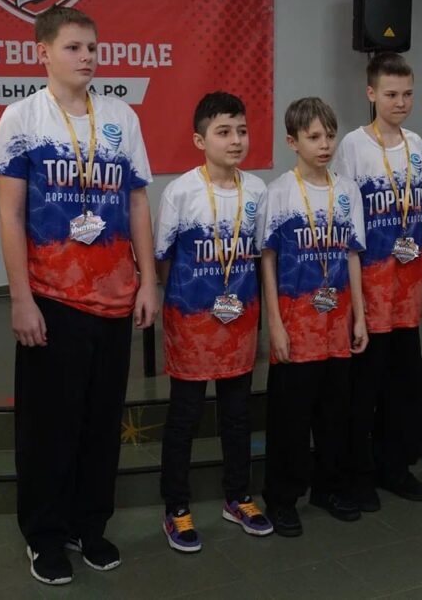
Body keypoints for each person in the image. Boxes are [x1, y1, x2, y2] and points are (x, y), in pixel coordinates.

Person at [0, 6, 157, 585]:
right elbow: (9, 214)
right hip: (52, 298)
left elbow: (137, 202)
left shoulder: (121, 117)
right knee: (48, 426)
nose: (87, 57)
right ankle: (45, 534)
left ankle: (90, 525)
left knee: (100, 423)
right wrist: (20, 298)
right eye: (74, 47)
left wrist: (148, 281)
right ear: (43, 52)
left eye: (92, 47)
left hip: (115, 296)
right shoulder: (22, 119)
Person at [154, 92, 273, 553]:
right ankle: (176, 507)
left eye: (241, 130)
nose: (236, 140)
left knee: (238, 415)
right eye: (224, 132)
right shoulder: (181, 192)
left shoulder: (257, 191)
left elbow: (260, 256)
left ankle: (238, 497)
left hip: (240, 323)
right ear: (199, 140)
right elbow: (164, 259)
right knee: (185, 417)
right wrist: (188, 303)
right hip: (191, 324)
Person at [260, 97, 369, 536]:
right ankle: (282, 498)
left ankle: (329, 487)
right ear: (292, 142)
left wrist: (359, 317)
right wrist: (274, 324)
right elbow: (268, 260)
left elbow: (353, 254)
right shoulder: (278, 193)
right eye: (314, 137)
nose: (324, 145)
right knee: (290, 418)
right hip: (295, 325)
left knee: (334, 413)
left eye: (330, 136)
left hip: (337, 325)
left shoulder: (347, 191)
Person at [333, 53, 422, 510]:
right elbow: (345, 222)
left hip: (407, 287)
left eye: (408, 94)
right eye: (391, 94)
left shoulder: (416, 144)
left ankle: (396, 467)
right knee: (364, 388)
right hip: (369, 288)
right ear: (371, 93)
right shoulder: (354, 146)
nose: (401, 102)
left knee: (404, 386)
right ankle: (359, 474)